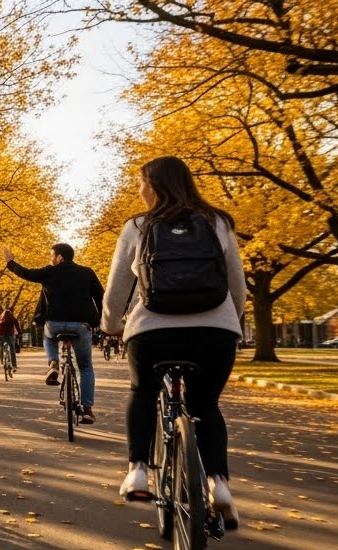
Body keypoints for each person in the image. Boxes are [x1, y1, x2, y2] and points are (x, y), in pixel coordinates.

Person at [101, 155, 246, 529]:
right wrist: (229, 320)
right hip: (214, 333)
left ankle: (137, 471)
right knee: (206, 405)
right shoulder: (218, 222)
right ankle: (219, 484)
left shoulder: (137, 226)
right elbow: (237, 285)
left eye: (141, 183)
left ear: (152, 185)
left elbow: (117, 289)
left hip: (152, 331)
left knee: (143, 391)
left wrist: (111, 325)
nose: (139, 189)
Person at [2, 243, 105, 424]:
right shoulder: (87, 273)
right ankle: (87, 409)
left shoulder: (49, 272)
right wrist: (97, 321)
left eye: (52, 256)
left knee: (48, 338)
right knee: (85, 367)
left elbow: (26, 273)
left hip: (54, 324)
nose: (50, 259)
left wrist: (11, 263)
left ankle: (53, 363)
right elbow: (101, 297)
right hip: (81, 325)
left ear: (60, 257)